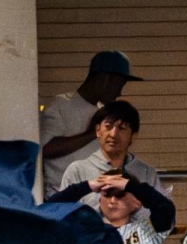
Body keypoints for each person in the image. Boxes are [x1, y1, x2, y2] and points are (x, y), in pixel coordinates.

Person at [39, 50, 141, 196]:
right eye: (119, 85)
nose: (120, 93)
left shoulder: (103, 112)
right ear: (104, 78)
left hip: (96, 199)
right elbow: (46, 149)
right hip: (65, 199)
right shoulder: (61, 104)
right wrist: (92, 133)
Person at [58, 101, 163, 208]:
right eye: (108, 126)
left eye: (121, 128)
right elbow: (62, 213)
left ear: (133, 135)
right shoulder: (77, 170)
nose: (113, 134)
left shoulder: (147, 172)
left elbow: (162, 211)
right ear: (98, 130)